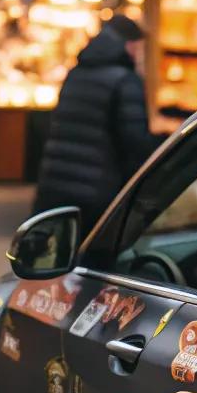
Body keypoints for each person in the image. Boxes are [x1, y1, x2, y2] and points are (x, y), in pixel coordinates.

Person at [33, 13, 155, 233]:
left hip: (55, 185)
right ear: (129, 45)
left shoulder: (75, 74)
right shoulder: (125, 81)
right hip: (96, 192)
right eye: (138, 48)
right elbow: (135, 142)